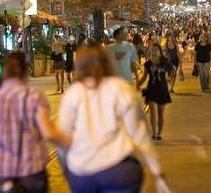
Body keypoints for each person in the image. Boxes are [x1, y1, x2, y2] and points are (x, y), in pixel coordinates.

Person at [59, 45, 171, 193]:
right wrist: (158, 173)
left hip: (83, 175)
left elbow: (62, 141)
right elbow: (140, 134)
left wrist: (69, 170)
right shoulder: (121, 88)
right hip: (119, 171)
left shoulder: (73, 94)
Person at [0, 52, 70, 193]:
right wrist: (73, 144)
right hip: (32, 173)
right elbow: (49, 134)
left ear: (4, 72)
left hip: (1, 174)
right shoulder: (35, 97)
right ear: (26, 71)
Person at [138, 43, 173, 140]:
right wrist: (138, 83)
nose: (153, 51)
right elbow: (144, 77)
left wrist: (169, 79)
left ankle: (159, 133)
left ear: (160, 52)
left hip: (162, 89)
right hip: (151, 89)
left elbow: (172, 71)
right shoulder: (148, 64)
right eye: (152, 50)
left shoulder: (165, 62)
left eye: (155, 50)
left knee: (161, 114)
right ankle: (154, 133)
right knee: (153, 113)